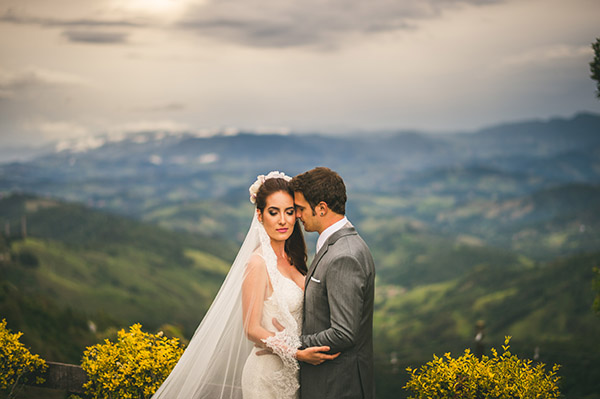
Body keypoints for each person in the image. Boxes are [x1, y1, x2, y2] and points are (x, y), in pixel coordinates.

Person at [152, 171, 336, 399]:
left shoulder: (295, 258)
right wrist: (297, 353)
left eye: (289, 212)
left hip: (295, 375)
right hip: (266, 376)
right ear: (259, 215)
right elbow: (251, 328)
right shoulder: (257, 264)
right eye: (273, 212)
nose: (283, 220)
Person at [291, 167, 376, 399]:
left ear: (321, 208)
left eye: (301, 208)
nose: (297, 215)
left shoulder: (343, 256)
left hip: (337, 386)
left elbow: (343, 333)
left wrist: (294, 345)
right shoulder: (337, 245)